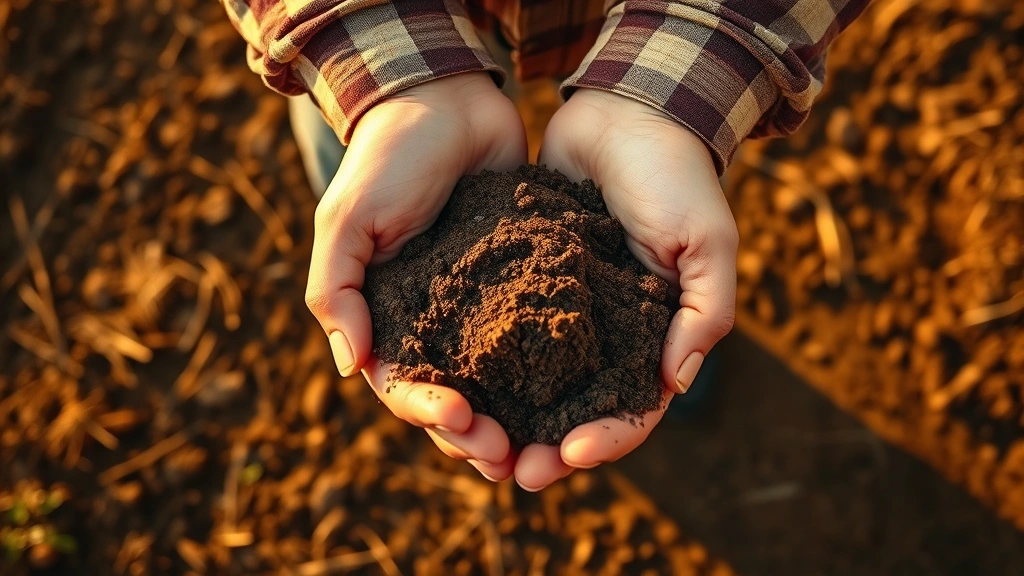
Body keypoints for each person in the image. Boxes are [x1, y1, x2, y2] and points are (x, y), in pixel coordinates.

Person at [220, 0, 868, 491]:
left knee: (680, 195)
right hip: (382, 40)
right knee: (362, 166)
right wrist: (382, 74)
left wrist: (675, 100)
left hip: (670, 45)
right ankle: (379, 115)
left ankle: (677, 355)